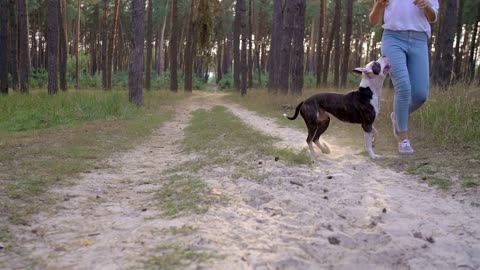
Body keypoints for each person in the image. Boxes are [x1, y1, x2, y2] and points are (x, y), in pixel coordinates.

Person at [369, 0, 439, 154]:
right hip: (393, 38)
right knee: (403, 86)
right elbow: (373, 20)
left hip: (419, 39)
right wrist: (379, 5)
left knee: (421, 95)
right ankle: (403, 139)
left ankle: (397, 116)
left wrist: (426, 6)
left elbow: (433, 17)